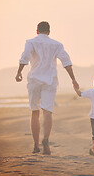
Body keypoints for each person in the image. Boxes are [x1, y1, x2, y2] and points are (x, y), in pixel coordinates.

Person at [15, 21, 79, 155]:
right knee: (47, 112)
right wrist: (73, 79)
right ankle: (46, 140)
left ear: (37, 31)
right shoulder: (57, 44)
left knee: (34, 112)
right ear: (49, 32)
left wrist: (19, 71)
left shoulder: (31, 42)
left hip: (34, 80)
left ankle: (36, 145)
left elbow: (25, 56)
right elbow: (66, 61)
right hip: (50, 81)